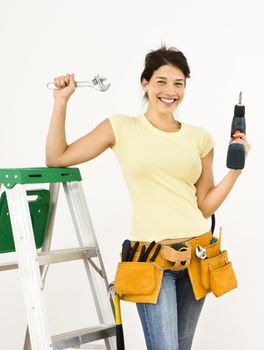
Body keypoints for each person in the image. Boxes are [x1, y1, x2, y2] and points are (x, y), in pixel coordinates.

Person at [46, 45, 251, 350]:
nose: (170, 91)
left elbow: (204, 206)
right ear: (145, 83)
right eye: (162, 81)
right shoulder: (121, 127)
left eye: (178, 83)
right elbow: (57, 157)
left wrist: (235, 170)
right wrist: (61, 101)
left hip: (198, 256)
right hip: (151, 260)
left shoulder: (200, 138)